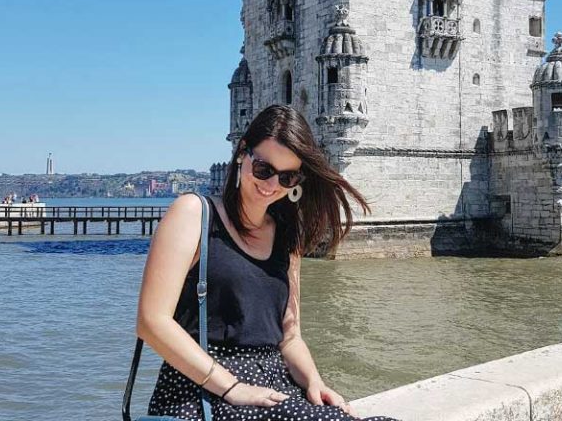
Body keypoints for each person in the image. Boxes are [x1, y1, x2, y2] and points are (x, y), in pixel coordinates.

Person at [137, 104, 400, 421]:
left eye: (287, 177)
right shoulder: (194, 214)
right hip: (202, 390)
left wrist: (314, 381)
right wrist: (231, 387)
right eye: (263, 169)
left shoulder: (287, 237)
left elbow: (290, 337)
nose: (272, 185)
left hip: (273, 390)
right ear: (241, 154)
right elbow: (152, 321)